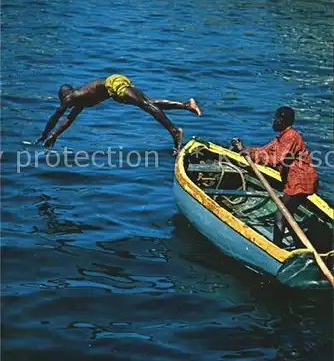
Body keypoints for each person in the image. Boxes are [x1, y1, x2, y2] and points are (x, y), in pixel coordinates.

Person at [36, 74, 201, 153]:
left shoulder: (72, 97)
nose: (64, 104)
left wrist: (45, 134)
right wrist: (55, 135)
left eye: (62, 101)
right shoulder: (79, 102)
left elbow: (56, 116)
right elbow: (68, 120)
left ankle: (174, 131)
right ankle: (186, 105)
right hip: (113, 89)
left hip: (112, 84)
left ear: (65, 95)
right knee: (148, 103)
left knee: (145, 104)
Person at [233, 106, 318, 248]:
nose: (273, 121)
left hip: (300, 181)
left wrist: (253, 156)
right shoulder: (281, 137)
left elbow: (277, 159)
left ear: (282, 120)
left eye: (276, 118)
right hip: (294, 180)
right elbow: (265, 150)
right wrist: (247, 149)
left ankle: (276, 249)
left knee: (280, 216)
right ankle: (300, 245)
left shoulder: (291, 136)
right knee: (288, 217)